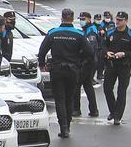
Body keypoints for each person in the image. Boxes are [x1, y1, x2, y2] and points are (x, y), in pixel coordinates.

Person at [37, 8, 92, 138]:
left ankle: (64, 127)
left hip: (57, 70)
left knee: (59, 99)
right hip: (73, 70)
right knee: (69, 98)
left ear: (61, 18)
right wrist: (81, 63)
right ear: (72, 19)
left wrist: (42, 64)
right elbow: (90, 53)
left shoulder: (53, 33)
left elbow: (42, 50)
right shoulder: (79, 34)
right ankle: (68, 123)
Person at [103, 10, 131, 125]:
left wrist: (124, 54)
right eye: (117, 20)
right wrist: (107, 52)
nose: (117, 22)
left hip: (124, 66)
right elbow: (103, 45)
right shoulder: (110, 32)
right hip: (111, 65)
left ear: (126, 21)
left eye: (120, 20)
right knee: (107, 89)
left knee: (121, 91)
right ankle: (113, 111)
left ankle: (117, 116)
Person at [72, 11, 100, 118]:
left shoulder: (91, 30)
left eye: (83, 19)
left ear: (89, 19)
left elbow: (91, 48)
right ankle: (93, 110)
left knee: (77, 84)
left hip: (88, 62)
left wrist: (83, 60)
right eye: (80, 19)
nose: (81, 21)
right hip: (88, 61)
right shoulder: (85, 29)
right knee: (88, 85)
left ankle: (76, 109)